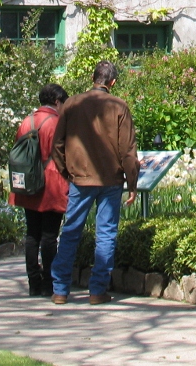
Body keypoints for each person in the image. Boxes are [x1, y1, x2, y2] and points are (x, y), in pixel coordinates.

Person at [50, 59, 138, 305]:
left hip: (80, 177)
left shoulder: (71, 104)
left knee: (70, 232)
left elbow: (57, 144)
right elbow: (128, 150)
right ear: (113, 82)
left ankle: (60, 289)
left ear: (93, 78)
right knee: (106, 233)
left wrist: (66, 171)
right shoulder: (119, 106)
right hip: (110, 179)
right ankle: (97, 290)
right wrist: (132, 183)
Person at [10, 83, 69, 297]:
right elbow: (64, 154)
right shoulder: (56, 123)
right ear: (56, 101)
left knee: (32, 235)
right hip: (52, 184)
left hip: (28, 184)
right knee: (50, 236)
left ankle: (33, 282)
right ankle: (48, 283)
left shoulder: (27, 121)